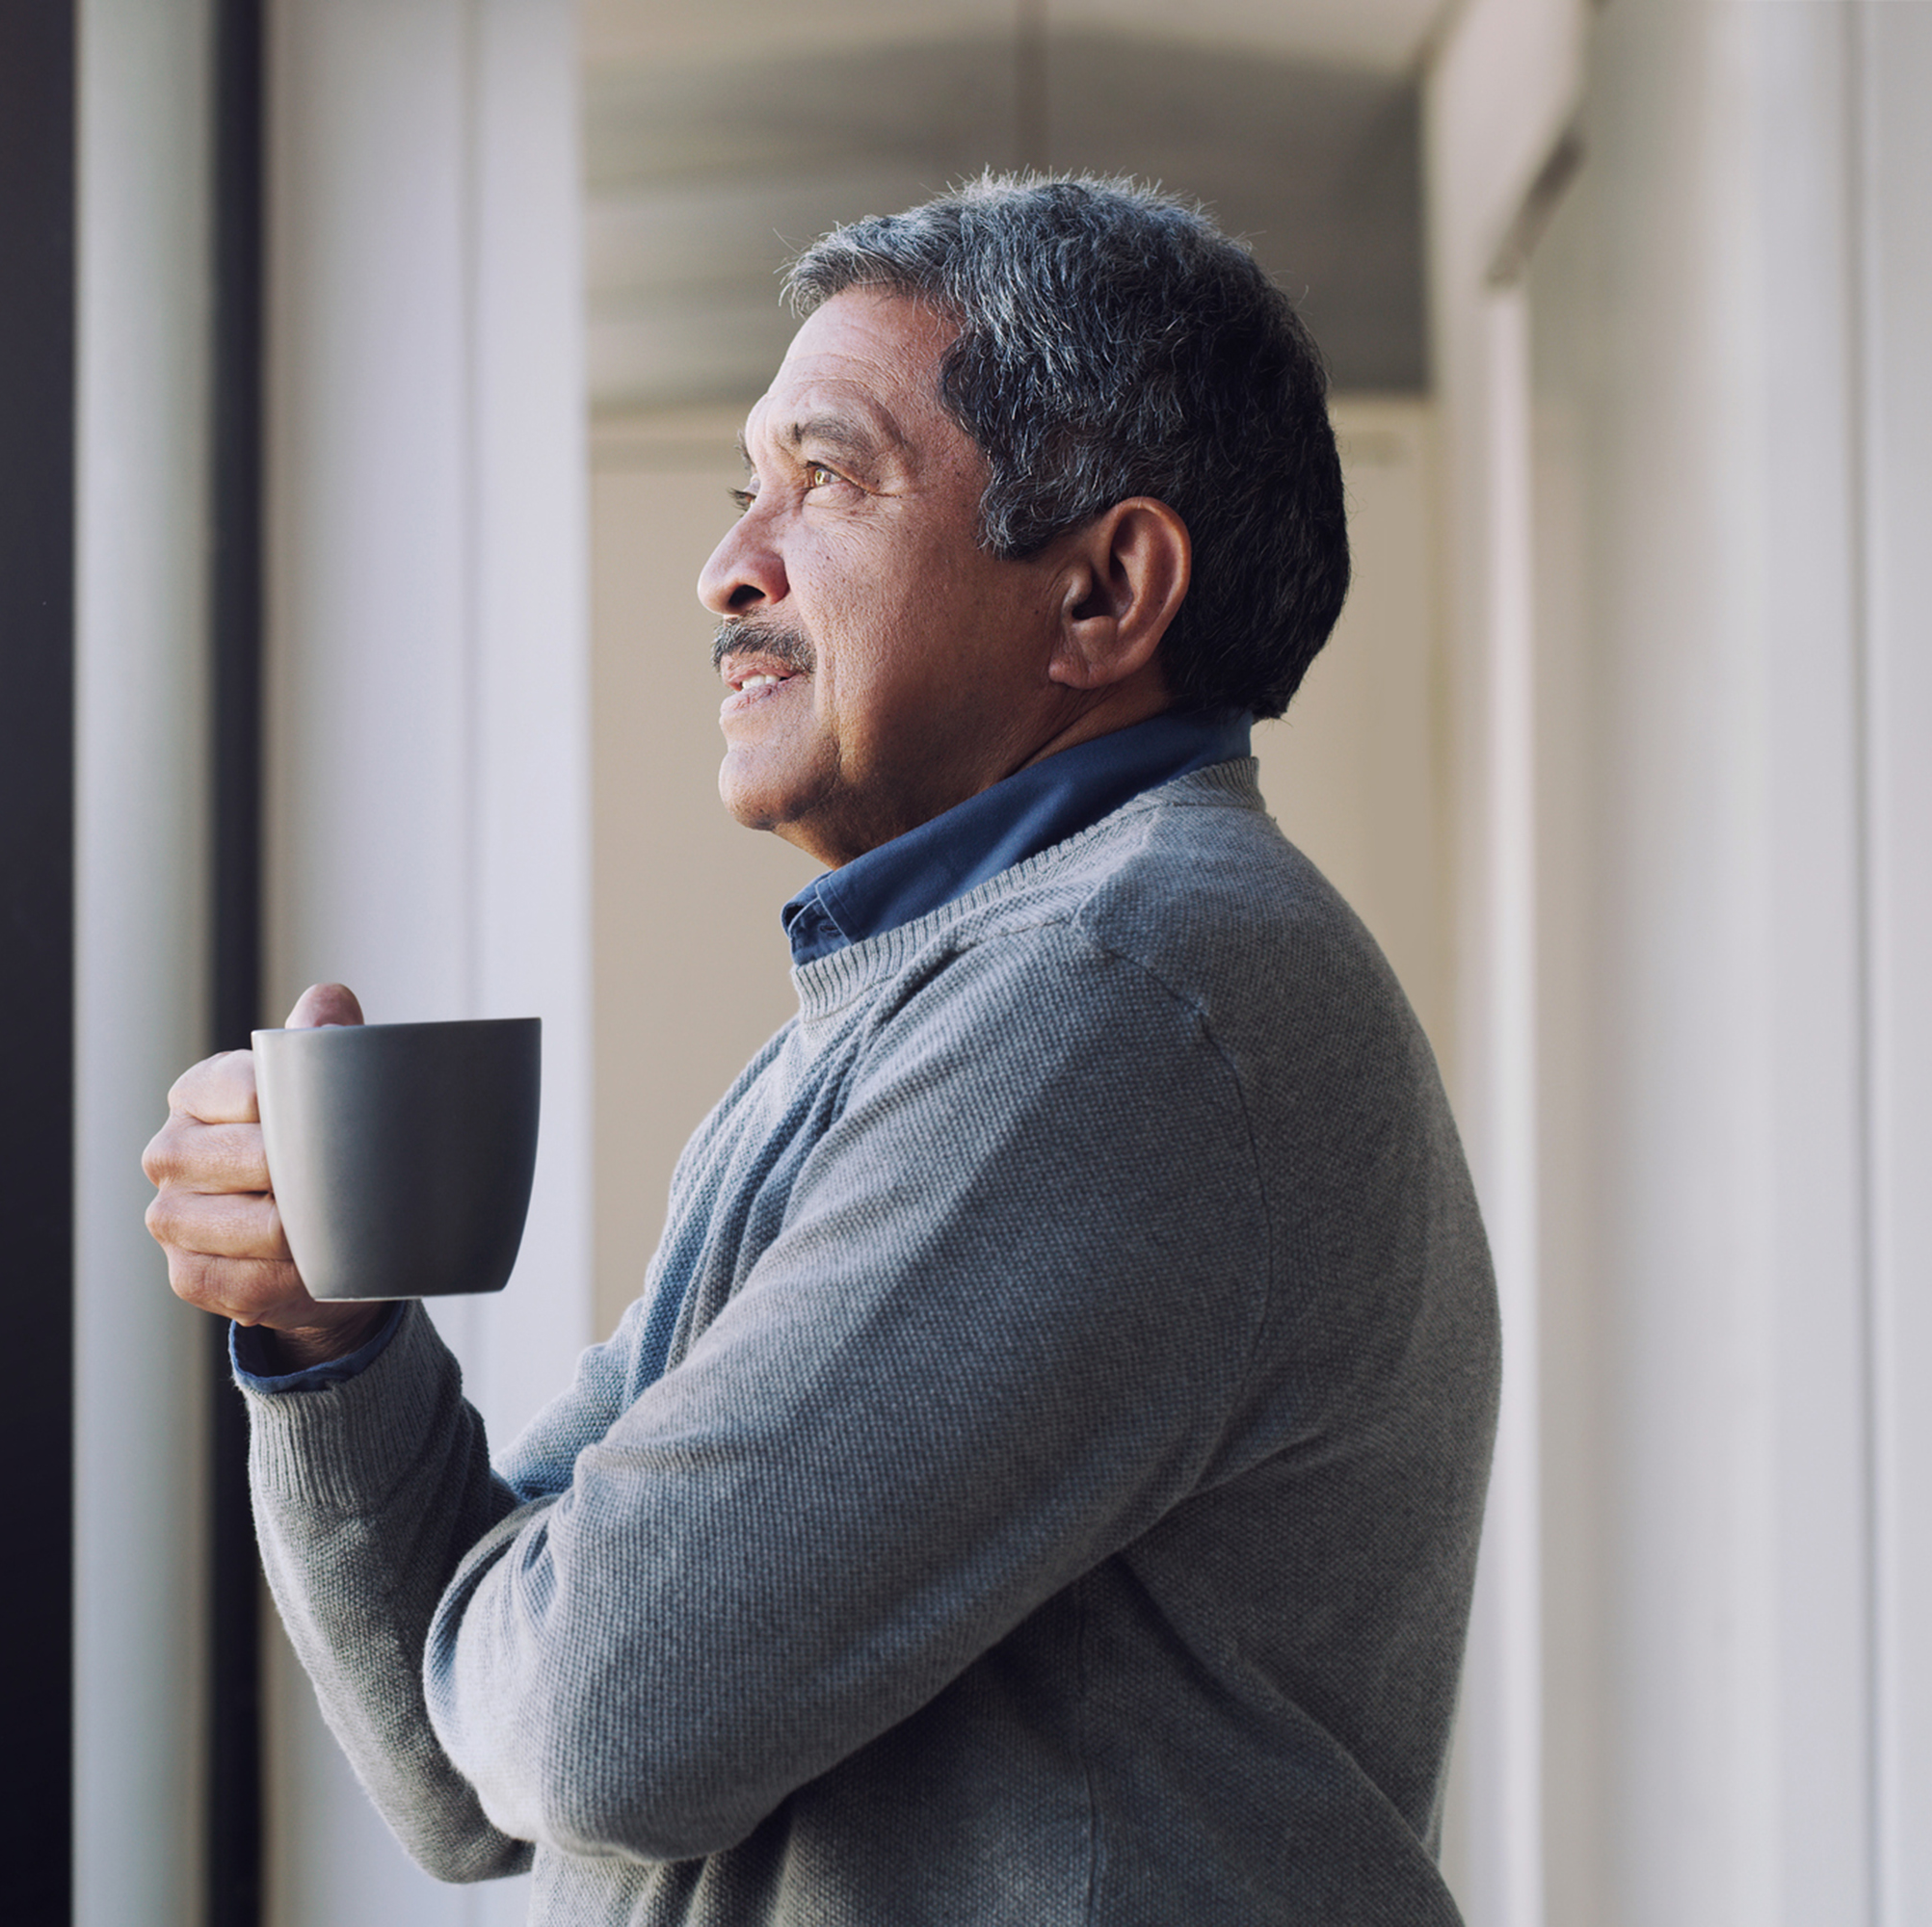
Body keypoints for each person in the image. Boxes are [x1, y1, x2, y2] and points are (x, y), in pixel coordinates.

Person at [144, 173, 1496, 1924]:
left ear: (1106, 589)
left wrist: (541, 1624)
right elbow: (462, 1769)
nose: (727, 566)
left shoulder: (1123, 994)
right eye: (745, 490)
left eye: (831, 477)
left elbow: (595, 1729)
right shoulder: (912, 1006)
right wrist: (325, 1346)